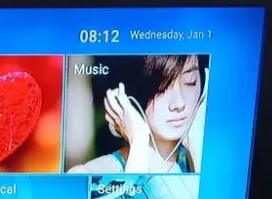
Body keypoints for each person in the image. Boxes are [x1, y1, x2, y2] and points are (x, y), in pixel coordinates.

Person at [70, 54, 208, 174]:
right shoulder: (88, 174)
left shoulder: (207, 160)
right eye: (162, 87)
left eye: (190, 82)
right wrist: (138, 145)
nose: (179, 103)